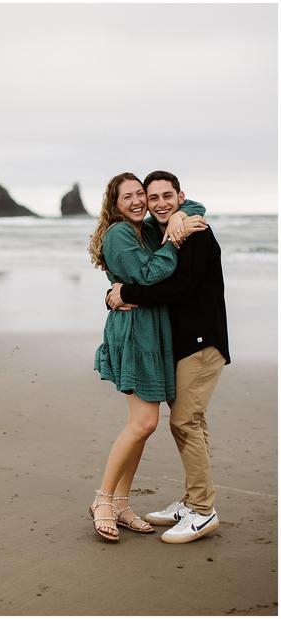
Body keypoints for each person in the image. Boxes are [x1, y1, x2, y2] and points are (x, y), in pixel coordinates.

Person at [107, 170, 229, 544]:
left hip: (202, 343)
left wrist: (126, 292)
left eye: (166, 197)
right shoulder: (161, 231)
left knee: (185, 423)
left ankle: (203, 512)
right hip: (180, 345)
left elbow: (179, 288)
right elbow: (139, 270)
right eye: (152, 196)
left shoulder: (194, 232)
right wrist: (116, 293)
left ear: (180, 196)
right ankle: (193, 501)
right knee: (191, 422)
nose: (158, 203)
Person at [87, 172, 206, 542]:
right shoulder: (121, 233)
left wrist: (180, 218)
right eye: (129, 197)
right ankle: (103, 501)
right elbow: (148, 274)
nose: (139, 201)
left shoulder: (148, 230)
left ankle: (121, 503)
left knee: (144, 425)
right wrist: (174, 240)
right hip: (134, 333)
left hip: (152, 330)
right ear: (115, 204)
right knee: (142, 423)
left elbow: (194, 205)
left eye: (142, 194)